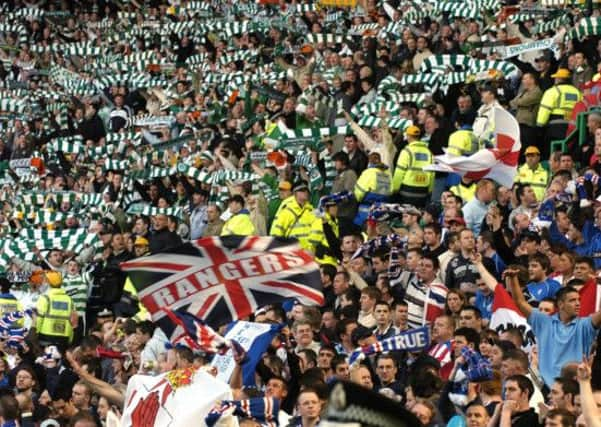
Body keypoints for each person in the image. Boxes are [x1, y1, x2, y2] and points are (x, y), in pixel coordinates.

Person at [507, 268, 601, 386]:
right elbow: (520, 302)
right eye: (572, 300)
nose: (578, 303)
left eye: (579, 300)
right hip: (546, 387)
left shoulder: (585, 325)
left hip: (576, 386)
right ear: (560, 304)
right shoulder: (543, 321)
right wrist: (513, 278)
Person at [392, 125, 434, 208]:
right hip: (423, 191)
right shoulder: (428, 152)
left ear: (408, 136)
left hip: (407, 190)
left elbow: (400, 172)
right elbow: (432, 173)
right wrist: (430, 190)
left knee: (407, 214)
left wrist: (395, 188)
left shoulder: (407, 151)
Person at [35, 271, 77, 351]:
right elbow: (73, 321)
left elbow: (39, 319)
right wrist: (70, 338)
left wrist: (35, 334)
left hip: (45, 338)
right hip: (63, 338)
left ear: (48, 282)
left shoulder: (45, 298)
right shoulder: (69, 300)